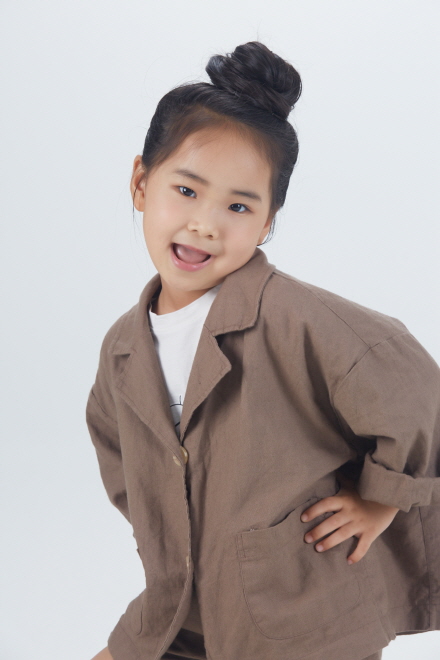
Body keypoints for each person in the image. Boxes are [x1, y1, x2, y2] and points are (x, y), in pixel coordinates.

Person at [86, 41, 440, 660]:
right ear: (141, 182)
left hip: (300, 614)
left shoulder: (296, 319)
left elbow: (416, 392)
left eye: (239, 206)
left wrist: (381, 500)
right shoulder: (124, 345)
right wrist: (170, 534)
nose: (205, 224)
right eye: (186, 190)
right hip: (182, 605)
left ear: (269, 220)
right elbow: (121, 457)